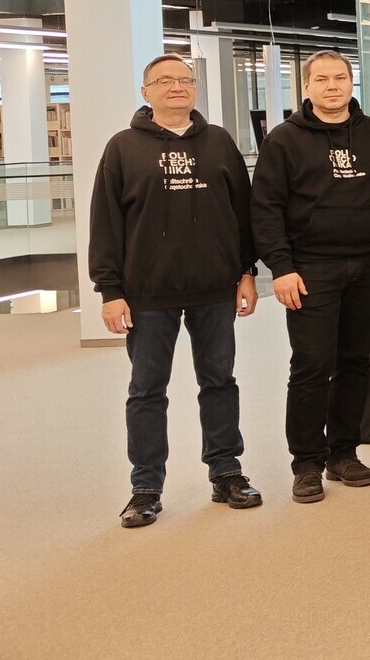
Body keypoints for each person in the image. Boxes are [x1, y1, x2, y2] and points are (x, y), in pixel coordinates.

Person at [92, 54, 261, 527]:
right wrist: (109, 290)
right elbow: (105, 222)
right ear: (145, 92)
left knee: (220, 382)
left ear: (194, 89)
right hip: (147, 293)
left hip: (214, 287)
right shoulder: (122, 147)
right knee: (147, 389)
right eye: (164, 80)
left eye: (185, 80)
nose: (177, 87)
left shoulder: (220, 142)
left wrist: (247, 271)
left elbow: (242, 213)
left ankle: (226, 472)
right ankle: (145, 487)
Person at [251, 50, 370, 504]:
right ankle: (306, 463)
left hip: (369, 267)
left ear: (351, 82)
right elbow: (265, 209)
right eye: (322, 79)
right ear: (306, 86)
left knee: (355, 362)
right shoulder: (284, 140)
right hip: (310, 269)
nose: (332, 86)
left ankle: (343, 454)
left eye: (340, 77)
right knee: (312, 365)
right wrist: (281, 268)